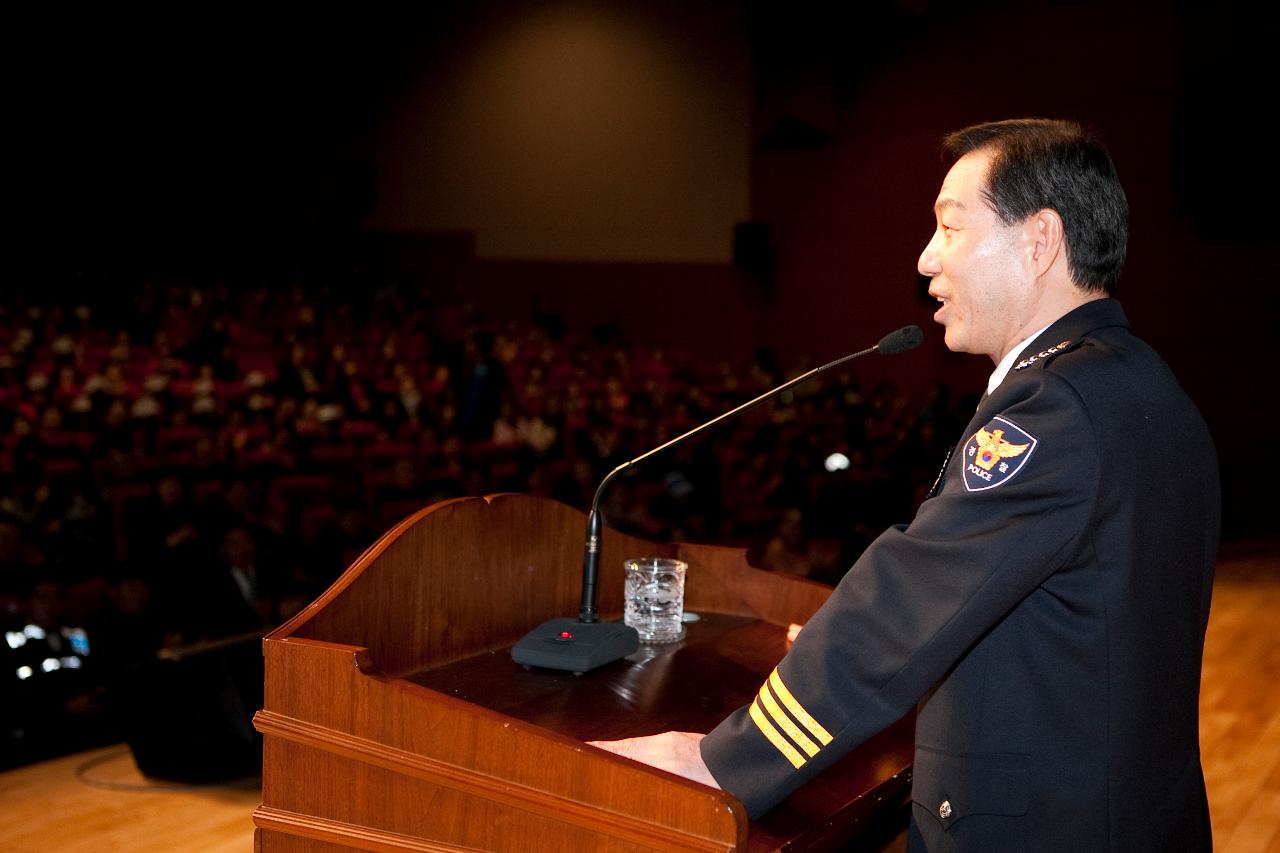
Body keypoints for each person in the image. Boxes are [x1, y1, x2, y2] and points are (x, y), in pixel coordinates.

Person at [591, 119, 1220, 852]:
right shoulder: (1136, 381)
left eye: (950, 227)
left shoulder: (1058, 409)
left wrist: (720, 760)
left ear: (1040, 240)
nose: (926, 259)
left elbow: (903, 602)